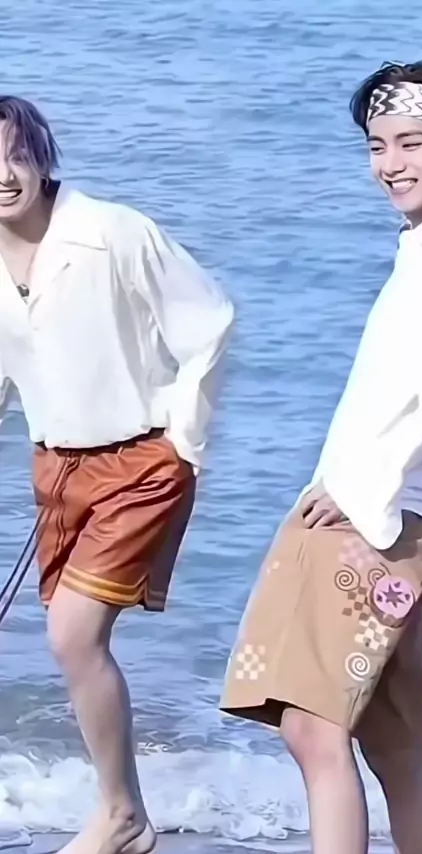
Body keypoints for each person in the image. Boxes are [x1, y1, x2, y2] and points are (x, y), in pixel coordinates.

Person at [221, 59, 422, 854]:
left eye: (410, 143)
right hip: (399, 511)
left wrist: (366, 482)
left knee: (314, 726)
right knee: (390, 740)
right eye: (376, 146)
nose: (389, 164)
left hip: (379, 515)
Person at [0, 96, 234, 854]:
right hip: (55, 470)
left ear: (41, 156)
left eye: (15, 155)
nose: (3, 175)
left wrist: (183, 442)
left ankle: (121, 816)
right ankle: (124, 814)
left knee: (72, 635)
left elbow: (210, 322)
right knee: (71, 642)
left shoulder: (112, 232)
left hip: (139, 460)